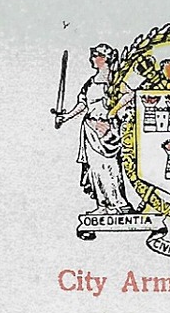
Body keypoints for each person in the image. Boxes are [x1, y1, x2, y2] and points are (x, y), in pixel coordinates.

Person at [54, 43, 133, 214]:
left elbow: (129, 94)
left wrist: (112, 113)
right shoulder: (91, 83)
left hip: (107, 130)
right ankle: (103, 205)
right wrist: (65, 117)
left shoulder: (114, 81)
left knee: (110, 167)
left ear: (103, 59)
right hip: (90, 129)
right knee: (95, 169)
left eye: (94, 56)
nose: (91, 59)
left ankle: (119, 204)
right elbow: (83, 104)